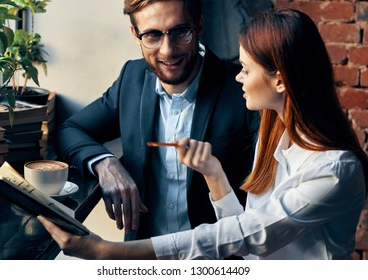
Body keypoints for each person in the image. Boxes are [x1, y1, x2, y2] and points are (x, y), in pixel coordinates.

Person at [41, 8, 368, 259]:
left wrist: (107, 253)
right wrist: (214, 174)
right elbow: (249, 239)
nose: (239, 77)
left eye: (247, 69)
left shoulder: (335, 170)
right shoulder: (275, 134)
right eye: (152, 35)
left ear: (279, 81)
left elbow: (247, 235)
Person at [55, 0, 259, 241]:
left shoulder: (243, 89)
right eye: (152, 35)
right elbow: (70, 130)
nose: (167, 50)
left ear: (199, 26)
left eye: (180, 32)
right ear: (135, 34)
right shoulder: (131, 78)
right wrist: (106, 165)